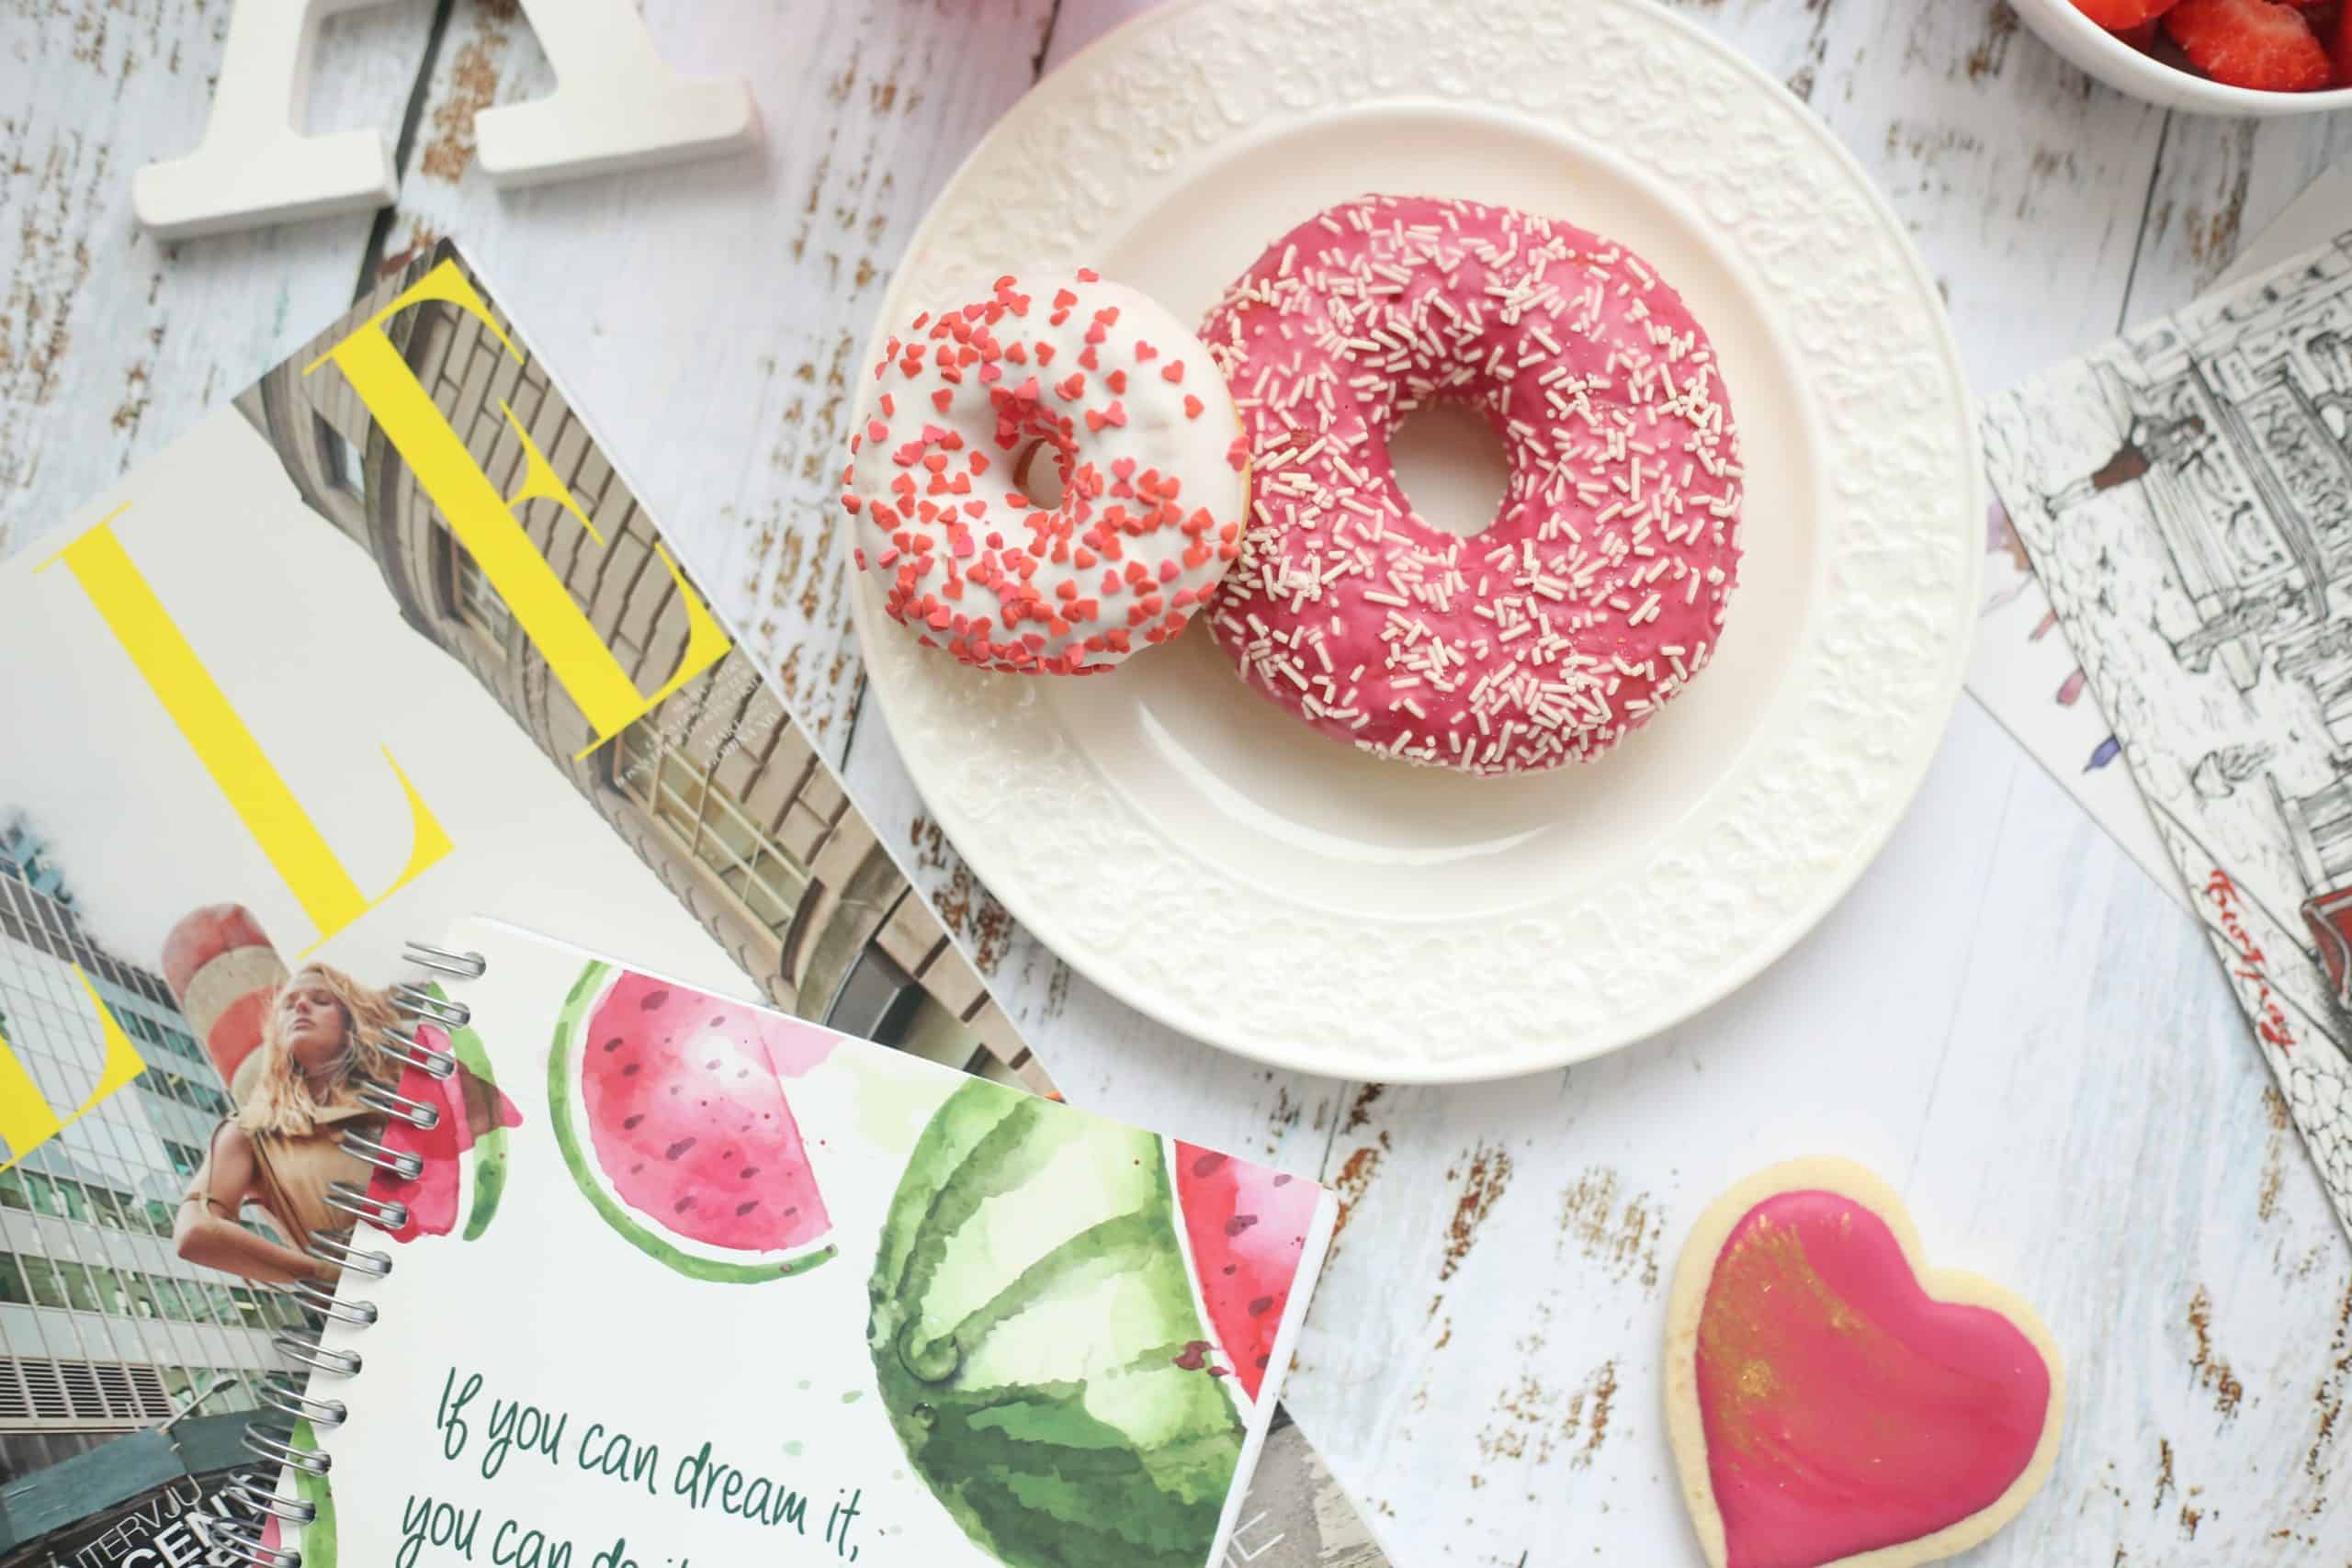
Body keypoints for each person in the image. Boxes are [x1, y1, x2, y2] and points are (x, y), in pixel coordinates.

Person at [173, 964, 398, 1286]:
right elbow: (195, 1230)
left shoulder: (405, 1092)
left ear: (352, 1021)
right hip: (373, 1293)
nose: (302, 1006)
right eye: (288, 1005)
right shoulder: (249, 1132)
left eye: (321, 1000)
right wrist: (317, 1274)